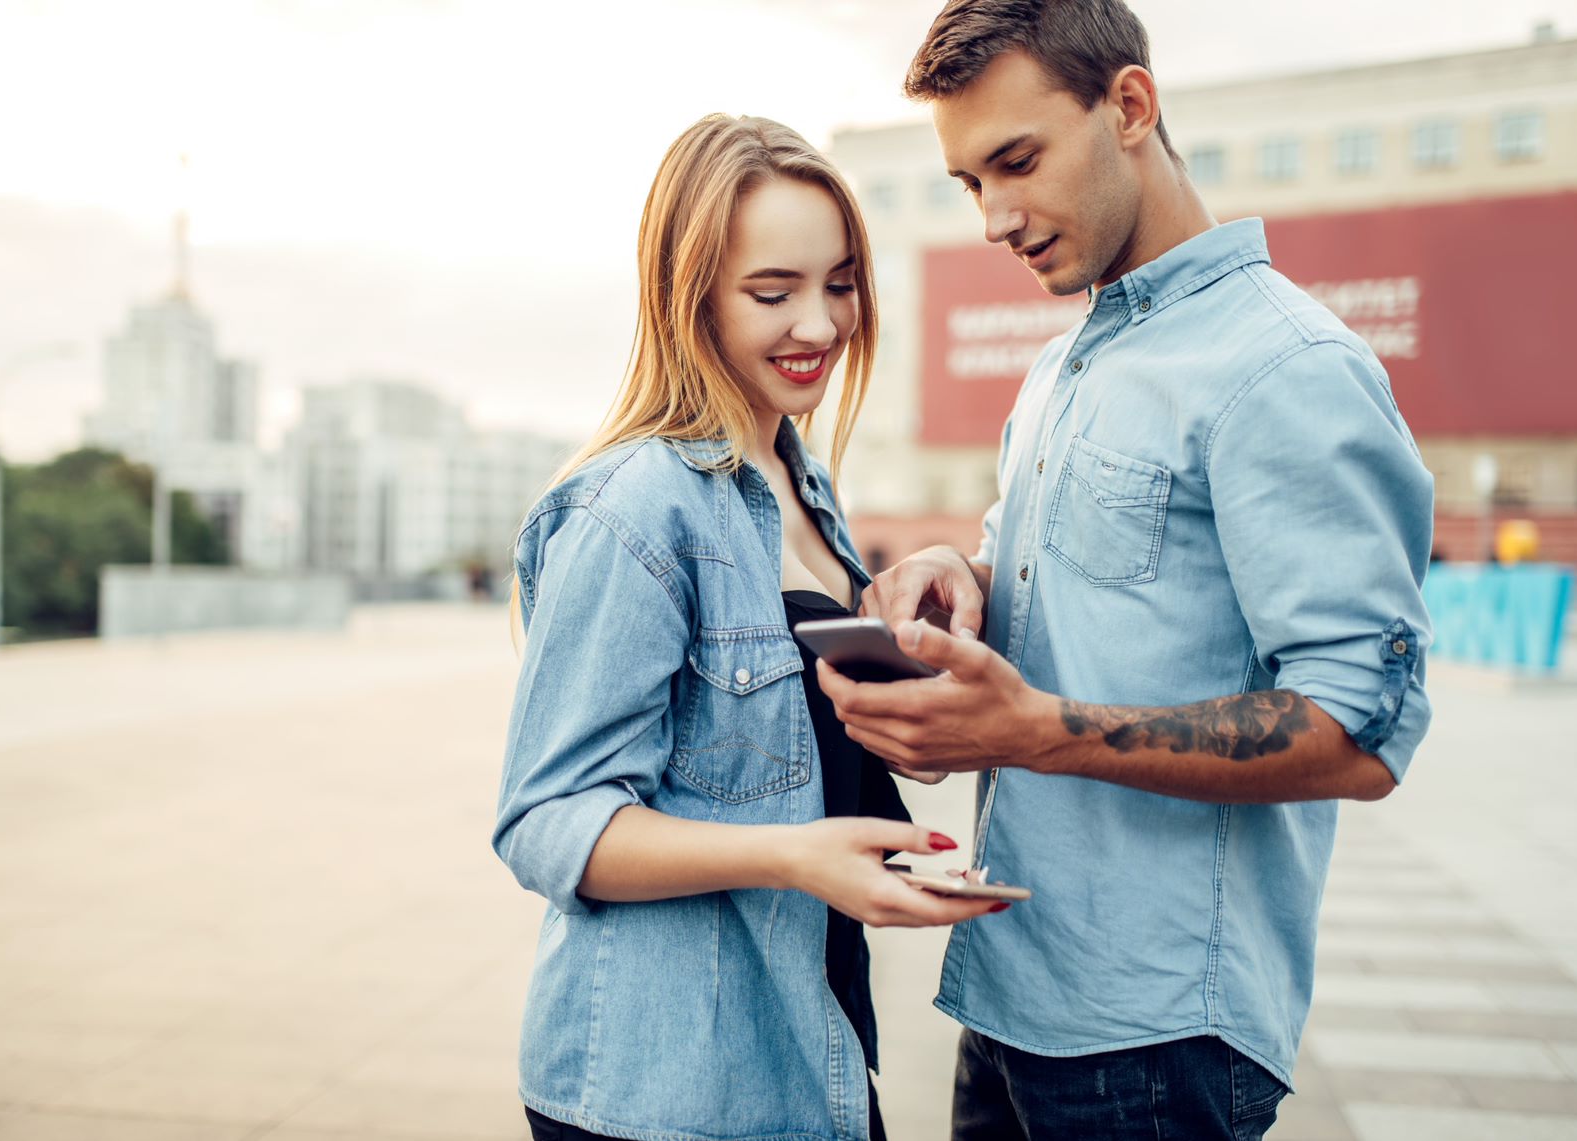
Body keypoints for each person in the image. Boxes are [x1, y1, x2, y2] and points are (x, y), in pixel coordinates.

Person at [814, 3, 1436, 1138]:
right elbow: (1071, 582)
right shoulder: (1063, 364)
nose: (995, 219)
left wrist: (1032, 729)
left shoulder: (1283, 369)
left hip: (1156, 1039)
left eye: (1016, 161)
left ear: (1130, 108)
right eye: (967, 184)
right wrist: (959, 573)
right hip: (1009, 989)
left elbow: (1359, 730)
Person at [493, 113, 1012, 1141]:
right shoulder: (634, 508)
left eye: (838, 282)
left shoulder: (802, 484)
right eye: (771, 293)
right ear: (690, 300)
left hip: (806, 1048)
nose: (818, 325)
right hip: (664, 1089)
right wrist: (793, 855)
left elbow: (796, 760)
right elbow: (546, 819)